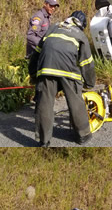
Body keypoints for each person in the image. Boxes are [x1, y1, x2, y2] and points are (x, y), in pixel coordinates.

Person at [28, 10, 96, 147]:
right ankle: (83, 135)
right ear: (81, 25)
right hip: (67, 69)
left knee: (44, 102)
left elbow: (37, 53)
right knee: (75, 99)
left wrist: (33, 74)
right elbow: (87, 63)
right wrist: (89, 83)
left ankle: (44, 140)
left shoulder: (53, 27)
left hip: (46, 66)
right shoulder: (80, 35)